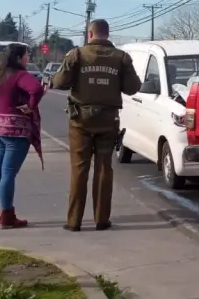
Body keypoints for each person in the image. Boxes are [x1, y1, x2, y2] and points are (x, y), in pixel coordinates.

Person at [51, 19, 141, 232]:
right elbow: (133, 88)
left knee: (79, 169)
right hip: (108, 120)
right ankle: (102, 219)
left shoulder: (77, 55)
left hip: (80, 120)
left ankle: (74, 221)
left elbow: (60, 83)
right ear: (107, 34)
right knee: (104, 169)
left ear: (90, 34)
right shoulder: (121, 58)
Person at [0, 43, 45, 229]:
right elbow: (37, 89)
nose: (28, 58)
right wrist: (31, 105)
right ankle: (7, 216)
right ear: (18, 58)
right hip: (15, 129)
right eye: (26, 55)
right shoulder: (21, 75)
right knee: (8, 173)